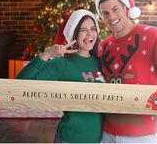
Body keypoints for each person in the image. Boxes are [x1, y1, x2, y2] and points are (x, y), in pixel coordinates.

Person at [95, 0, 157, 143]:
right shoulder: (103, 46)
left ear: (126, 9)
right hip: (108, 132)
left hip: (142, 133)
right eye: (105, 13)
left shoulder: (152, 35)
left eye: (115, 9)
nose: (111, 17)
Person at [16, 9, 104, 143]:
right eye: (83, 30)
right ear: (74, 34)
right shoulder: (62, 64)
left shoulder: (102, 62)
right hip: (70, 138)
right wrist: (48, 53)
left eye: (93, 29)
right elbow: (20, 83)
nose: (90, 33)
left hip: (101, 139)